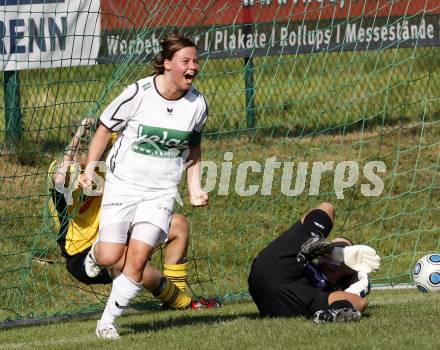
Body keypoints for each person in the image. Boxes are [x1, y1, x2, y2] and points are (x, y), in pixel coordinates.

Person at [78, 32, 209, 340]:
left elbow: (195, 148)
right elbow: (104, 128)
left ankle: (107, 322)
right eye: (185, 61)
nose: (193, 67)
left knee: (137, 258)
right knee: (112, 256)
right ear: (167, 64)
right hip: (123, 185)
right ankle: (97, 254)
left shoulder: (197, 105)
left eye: (196, 61)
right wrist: (88, 170)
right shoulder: (138, 92)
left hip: (161, 192)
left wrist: (194, 187)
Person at [48, 120, 218, 317]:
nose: (103, 156)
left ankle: (176, 299)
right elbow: (58, 179)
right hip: (82, 255)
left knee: (178, 225)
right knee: (129, 261)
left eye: (106, 150)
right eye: (99, 150)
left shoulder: (110, 163)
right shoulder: (65, 171)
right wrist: (77, 136)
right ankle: (182, 302)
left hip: (117, 235)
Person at [248, 202, 380, 323]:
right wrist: (330, 252)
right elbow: (326, 208)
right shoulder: (303, 258)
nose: (331, 247)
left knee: (356, 302)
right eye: (331, 246)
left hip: (292, 303)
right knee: (328, 207)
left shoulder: (329, 290)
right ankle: (315, 237)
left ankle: (331, 315)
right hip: (276, 270)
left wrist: (355, 291)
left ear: (349, 268)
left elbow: (360, 303)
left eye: (340, 247)